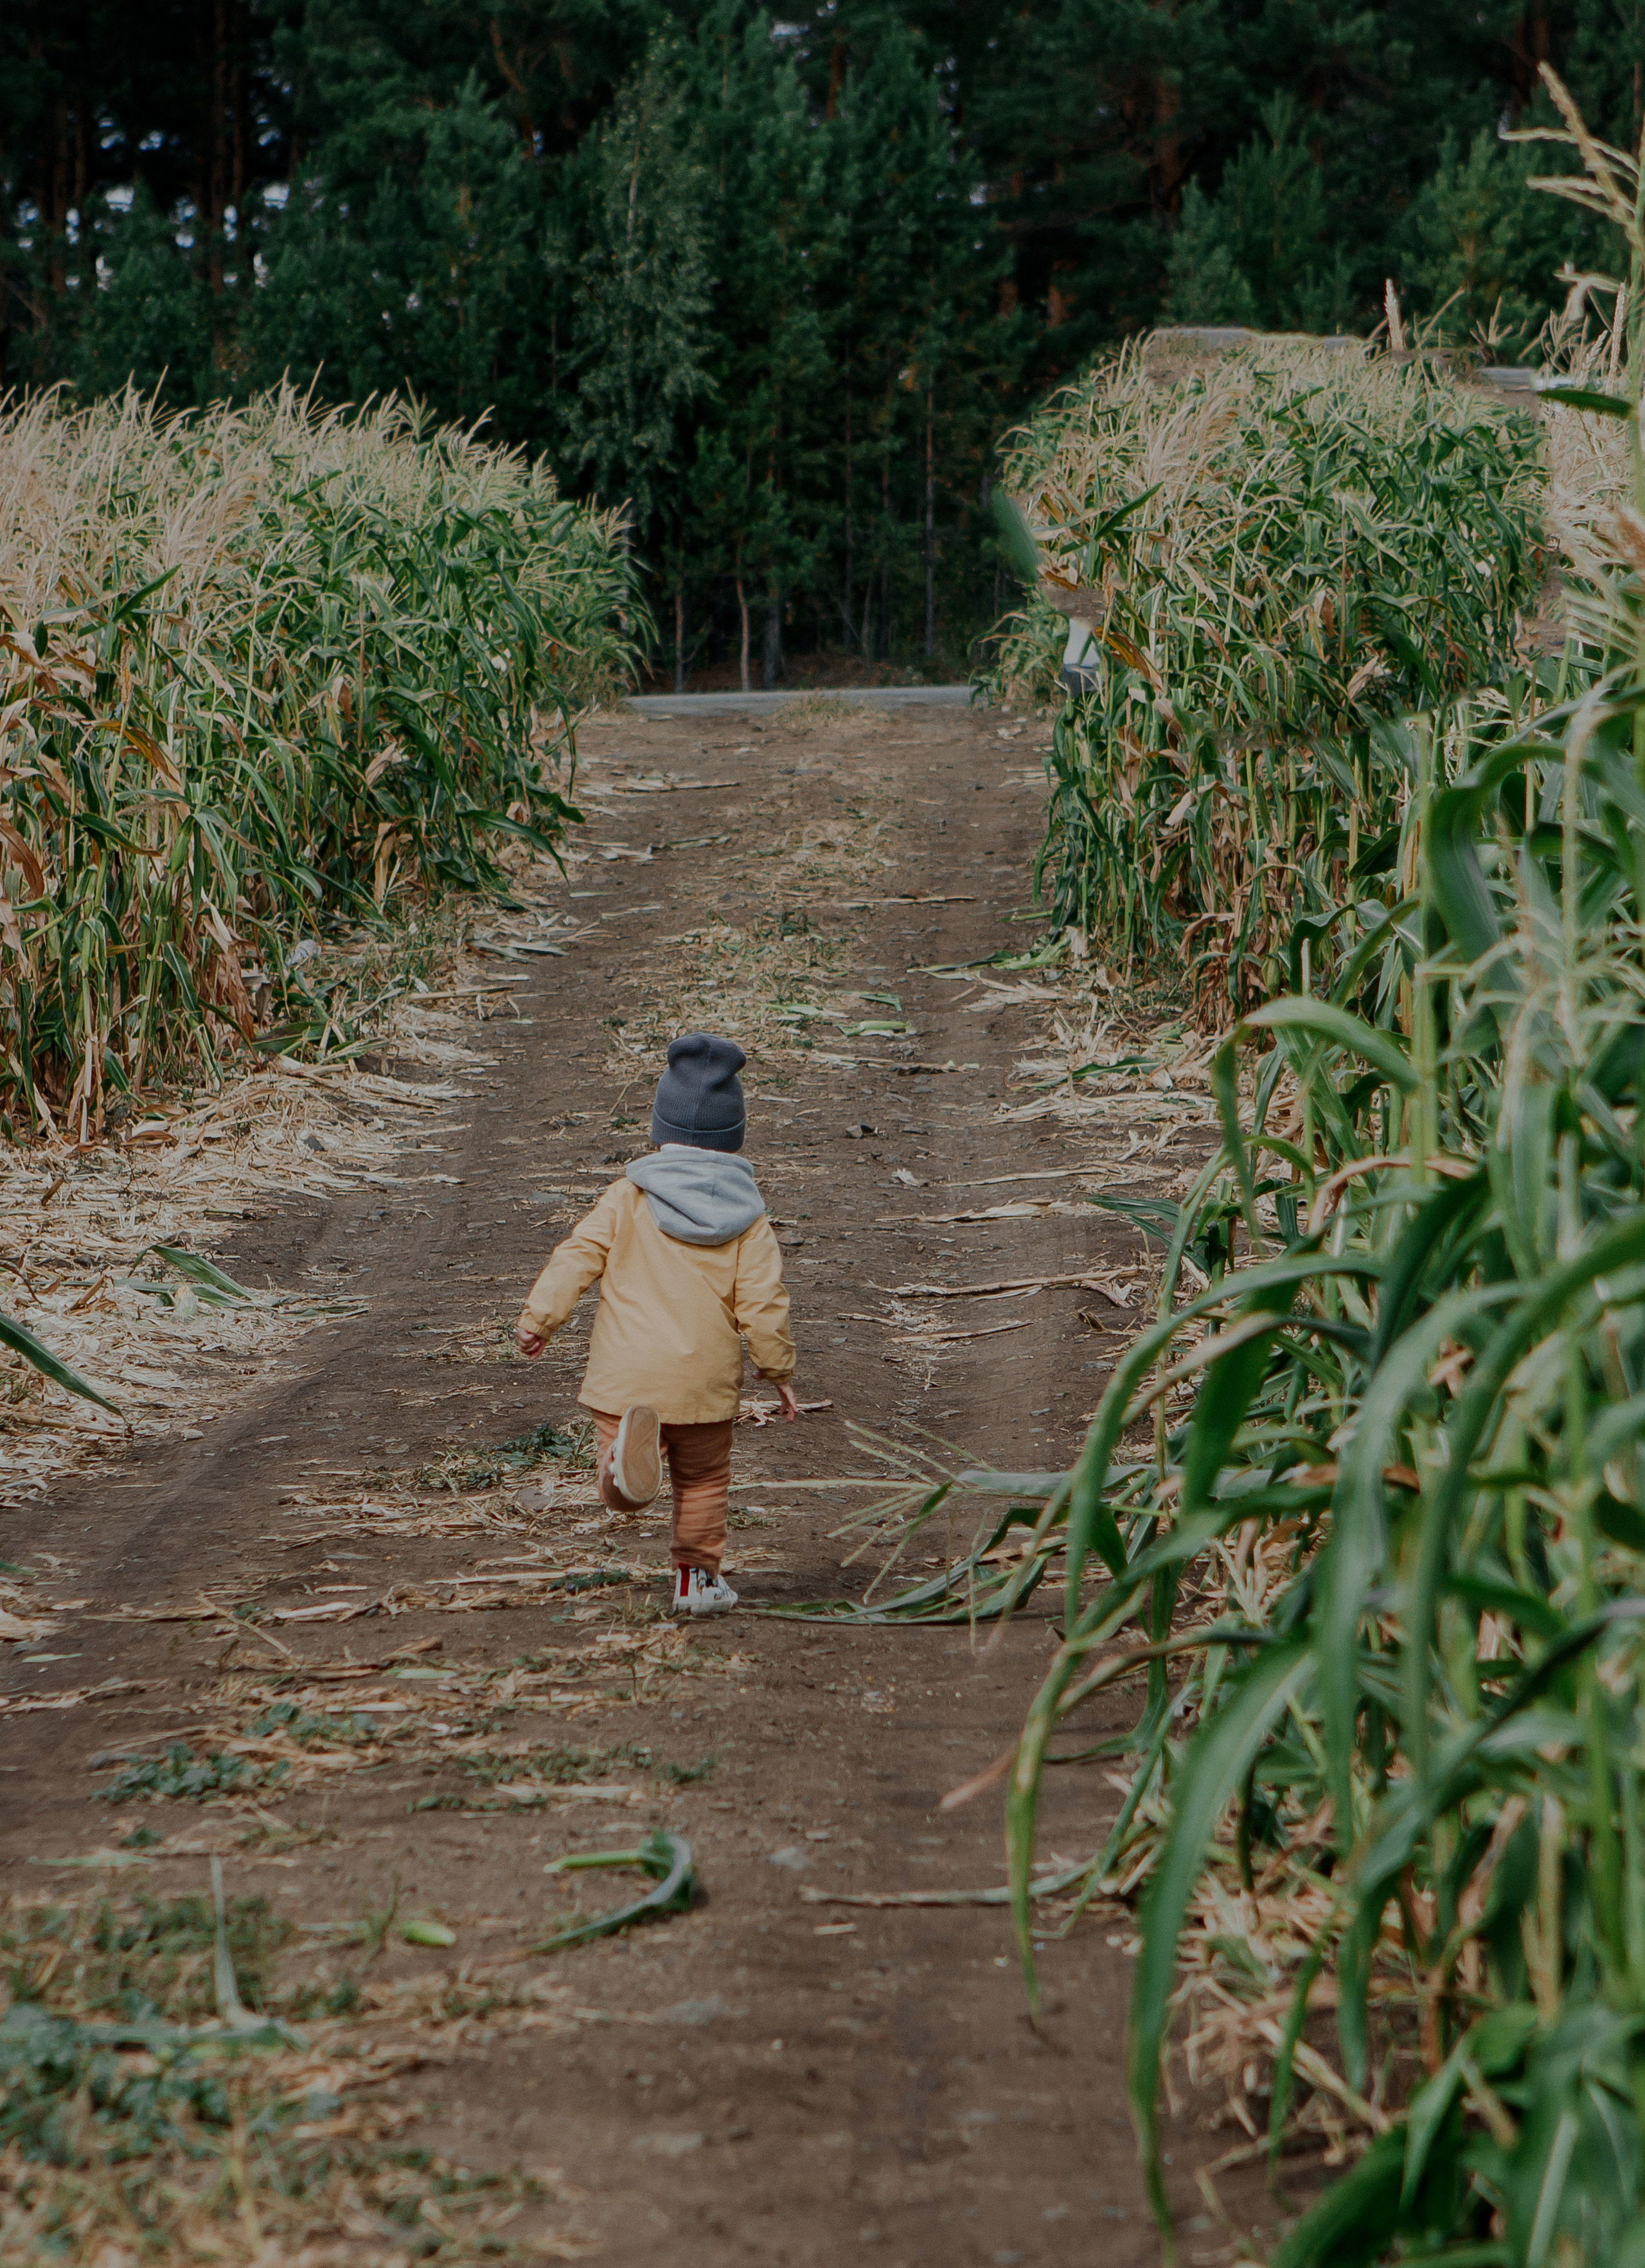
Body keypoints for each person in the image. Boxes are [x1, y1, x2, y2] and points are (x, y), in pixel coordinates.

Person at [514, 1032, 797, 1615]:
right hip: (703, 1384)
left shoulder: (627, 1197)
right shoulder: (749, 1217)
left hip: (626, 1376)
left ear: (660, 1129)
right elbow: (764, 1301)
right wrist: (778, 1369)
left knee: (621, 1476)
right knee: (704, 1481)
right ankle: (696, 1582)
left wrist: (540, 1319)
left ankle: (622, 1475)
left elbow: (578, 1256)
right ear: (734, 1136)